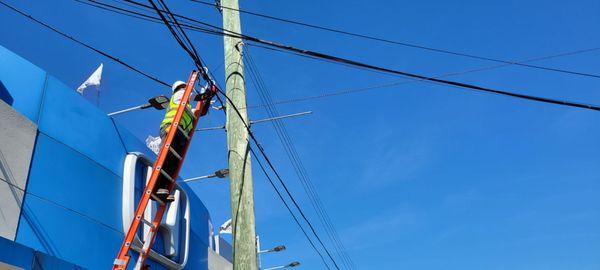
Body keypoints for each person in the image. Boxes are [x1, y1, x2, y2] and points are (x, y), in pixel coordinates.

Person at [153, 80, 195, 202]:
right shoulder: (179, 95)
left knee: (173, 162)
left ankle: (163, 189)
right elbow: (191, 95)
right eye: (185, 87)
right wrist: (203, 95)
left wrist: (207, 98)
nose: (188, 89)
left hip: (180, 133)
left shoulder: (187, 107)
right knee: (167, 157)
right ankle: (156, 187)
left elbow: (199, 112)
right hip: (171, 127)